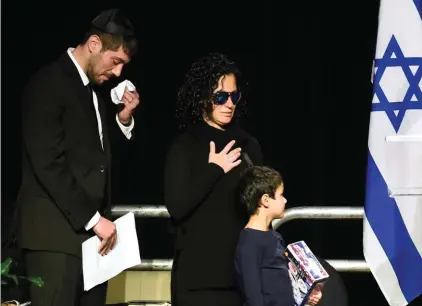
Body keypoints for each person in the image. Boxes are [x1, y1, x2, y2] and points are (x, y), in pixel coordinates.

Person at [16, 9, 140, 306]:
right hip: (54, 241)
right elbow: (48, 163)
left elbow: (97, 163)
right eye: (116, 62)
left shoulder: (93, 93)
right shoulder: (47, 83)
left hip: (91, 245)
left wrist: (123, 119)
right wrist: (94, 219)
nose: (119, 73)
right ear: (95, 44)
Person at [164, 52, 264, 306]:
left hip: (240, 280)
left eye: (234, 96)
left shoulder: (248, 146)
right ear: (202, 99)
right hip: (198, 283)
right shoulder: (186, 146)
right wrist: (214, 169)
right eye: (220, 97)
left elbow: (259, 211)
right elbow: (177, 206)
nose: (229, 103)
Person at [234, 166, 322, 306]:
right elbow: (254, 298)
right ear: (265, 200)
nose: (285, 200)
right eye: (281, 195)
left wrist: (307, 296)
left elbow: (284, 286)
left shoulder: (275, 237)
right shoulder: (249, 243)